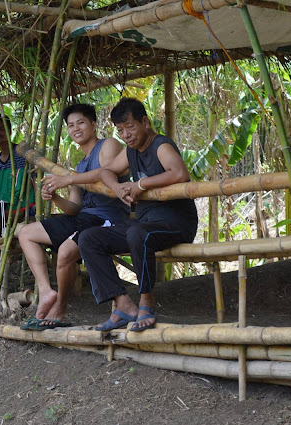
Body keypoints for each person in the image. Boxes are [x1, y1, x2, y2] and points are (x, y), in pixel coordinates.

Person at [75, 98, 198, 332]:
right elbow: (105, 171)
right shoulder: (130, 150)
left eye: (130, 127)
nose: (126, 135)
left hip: (176, 224)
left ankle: (146, 303)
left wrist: (140, 184)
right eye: (120, 130)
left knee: (137, 233)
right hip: (144, 224)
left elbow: (179, 173)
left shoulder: (160, 145)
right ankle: (123, 305)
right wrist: (118, 187)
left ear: (145, 122)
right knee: (89, 238)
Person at [18, 103, 129, 330]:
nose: (75, 128)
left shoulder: (108, 145)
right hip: (83, 218)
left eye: (80, 123)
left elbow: (108, 172)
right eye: (70, 125)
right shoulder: (79, 166)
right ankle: (46, 291)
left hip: (108, 219)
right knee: (26, 233)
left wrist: (68, 179)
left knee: (66, 251)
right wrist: (55, 197)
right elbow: (75, 208)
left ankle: (59, 308)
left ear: (93, 125)